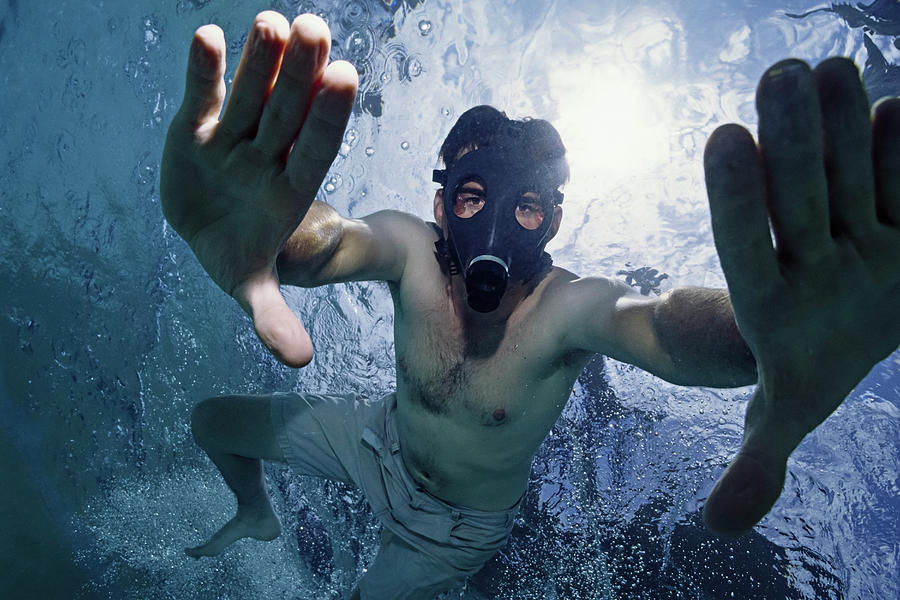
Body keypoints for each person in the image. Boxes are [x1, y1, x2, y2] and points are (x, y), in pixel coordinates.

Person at [160, 10, 900, 600]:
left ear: (552, 221)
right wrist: (272, 233)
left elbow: (663, 327)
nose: (490, 225)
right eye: (474, 196)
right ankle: (256, 514)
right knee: (209, 423)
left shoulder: (565, 307)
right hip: (374, 442)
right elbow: (333, 243)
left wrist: (757, 337)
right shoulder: (412, 248)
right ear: (443, 204)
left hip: (452, 531)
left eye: (524, 207)